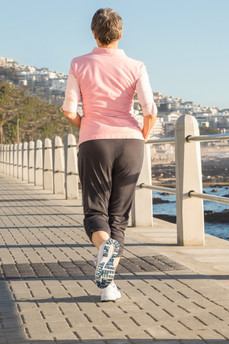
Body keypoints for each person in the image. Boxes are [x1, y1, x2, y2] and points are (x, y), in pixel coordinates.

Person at [62, 8, 157, 301]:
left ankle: (104, 254)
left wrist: (87, 126)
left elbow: (68, 110)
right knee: (118, 217)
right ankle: (108, 286)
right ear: (120, 33)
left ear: (94, 33)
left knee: (95, 212)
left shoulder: (79, 64)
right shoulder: (136, 66)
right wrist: (140, 136)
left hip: (94, 141)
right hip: (131, 142)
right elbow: (150, 110)